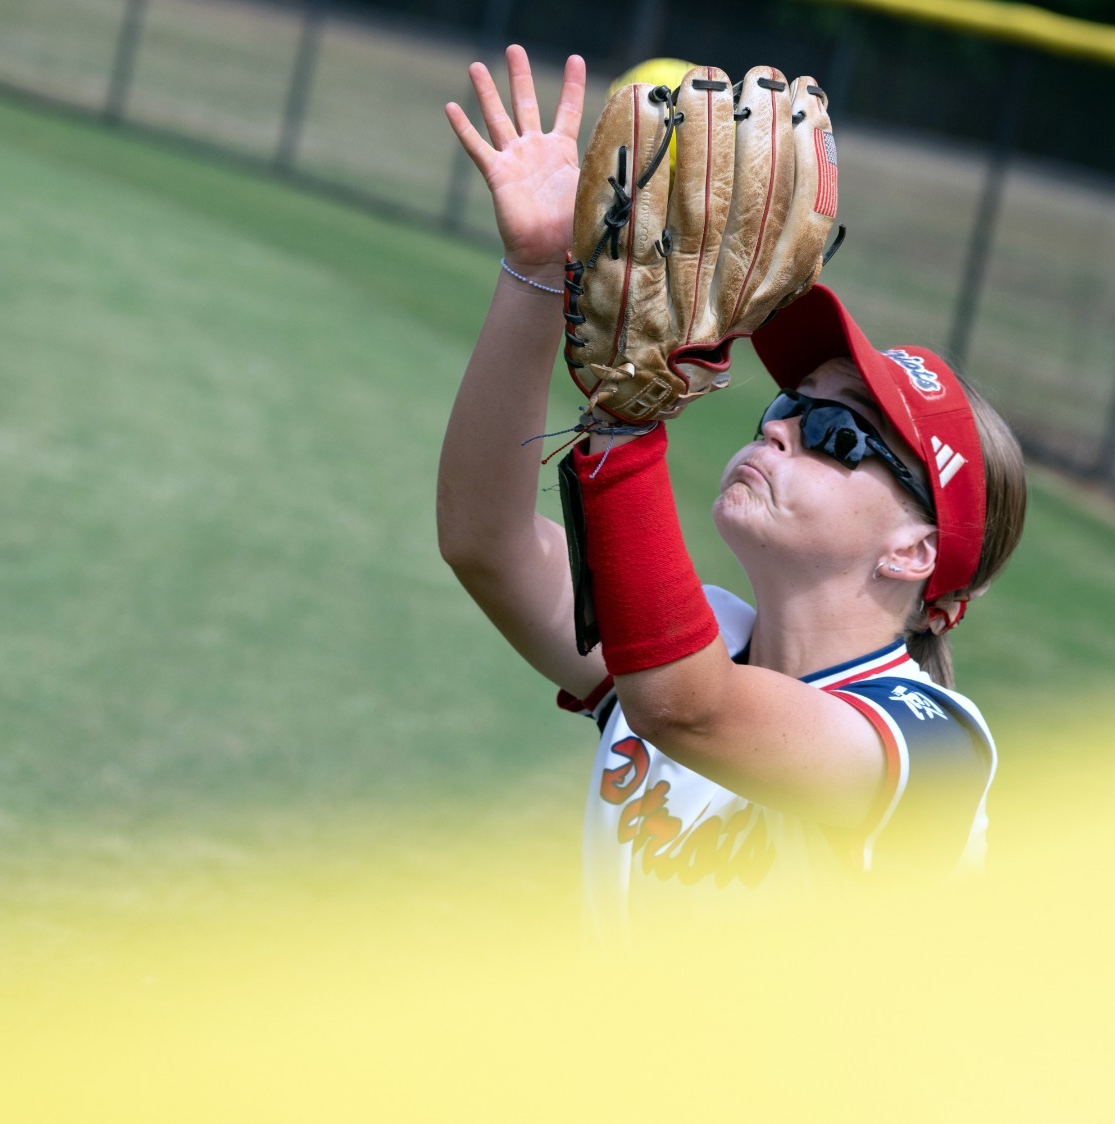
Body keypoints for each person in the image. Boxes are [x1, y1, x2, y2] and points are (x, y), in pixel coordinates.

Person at [438, 47, 1029, 932]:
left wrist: (627, 427)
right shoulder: (703, 636)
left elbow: (689, 710)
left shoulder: (929, 743)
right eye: (791, 403)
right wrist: (535, 269)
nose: (781, 427)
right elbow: (485, 542)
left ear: (915, 551)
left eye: (838, 434)